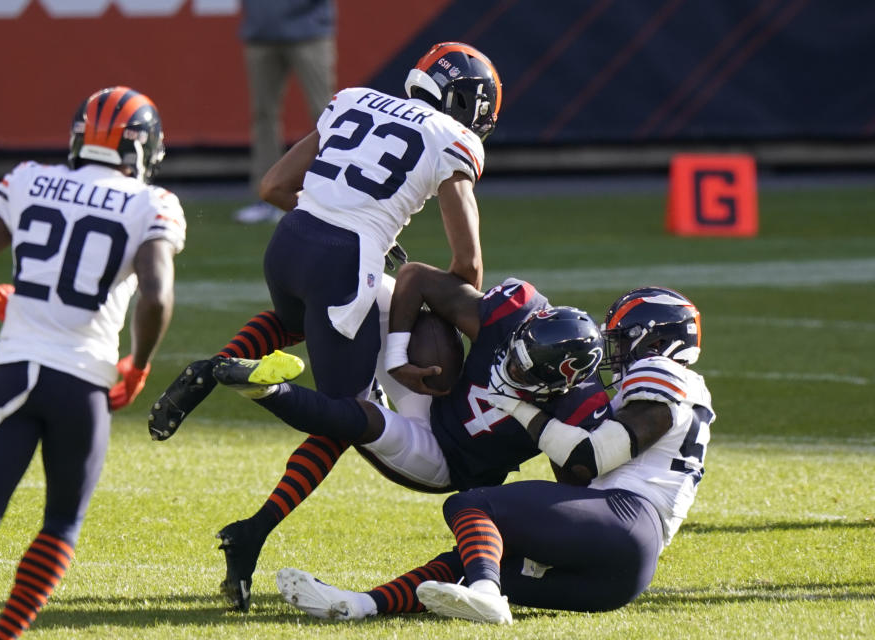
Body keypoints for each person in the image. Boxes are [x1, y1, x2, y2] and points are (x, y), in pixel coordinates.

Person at [148, 41, 502, 610]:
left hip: (289, 246)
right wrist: (455, 318)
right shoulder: (452, 139)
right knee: (344, 418)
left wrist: (342, 224)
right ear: (465, 102)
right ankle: (252, 529)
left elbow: (273, 188)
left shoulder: (355, 99)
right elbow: (469, 266)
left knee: (299, 324)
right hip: (345, 262)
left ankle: (212, 367)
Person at [274, 286, 714, 624]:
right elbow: (585, 465)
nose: (616, 352)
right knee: (472, 556)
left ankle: (487, 593)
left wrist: (519, 406)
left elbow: (593, 456)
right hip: (621, 572)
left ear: (655, 341)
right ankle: (360, 605)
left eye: (622, 340)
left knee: (472, 504)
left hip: (624, 518)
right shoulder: (680, 390)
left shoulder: (662, 371)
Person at [0, 86, 185, 640]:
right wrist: (139, 366)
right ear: (144, 149)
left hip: (15, 372)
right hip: (84, 380)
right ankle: (6, 635)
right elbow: (157, 297)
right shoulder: (152, 203)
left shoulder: (27, 179)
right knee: (62, 525)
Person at [208, 261, 610, 608]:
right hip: (433, 394)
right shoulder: (512, 315)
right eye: (514, 356)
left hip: (444, 458)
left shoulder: (576, 408)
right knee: (364, 289)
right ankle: (221, 367)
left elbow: (573, 485)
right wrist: (399, 357)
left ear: (561, 385)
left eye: (526, 373)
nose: (512, 369)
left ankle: (268, 390)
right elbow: (415, 275)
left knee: (358, 416)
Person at [233, 0, 337, 224]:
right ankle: (267, 196)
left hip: (309, 31)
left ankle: (335, 192)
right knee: (263, 116)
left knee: (328, 115)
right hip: (261, 33)